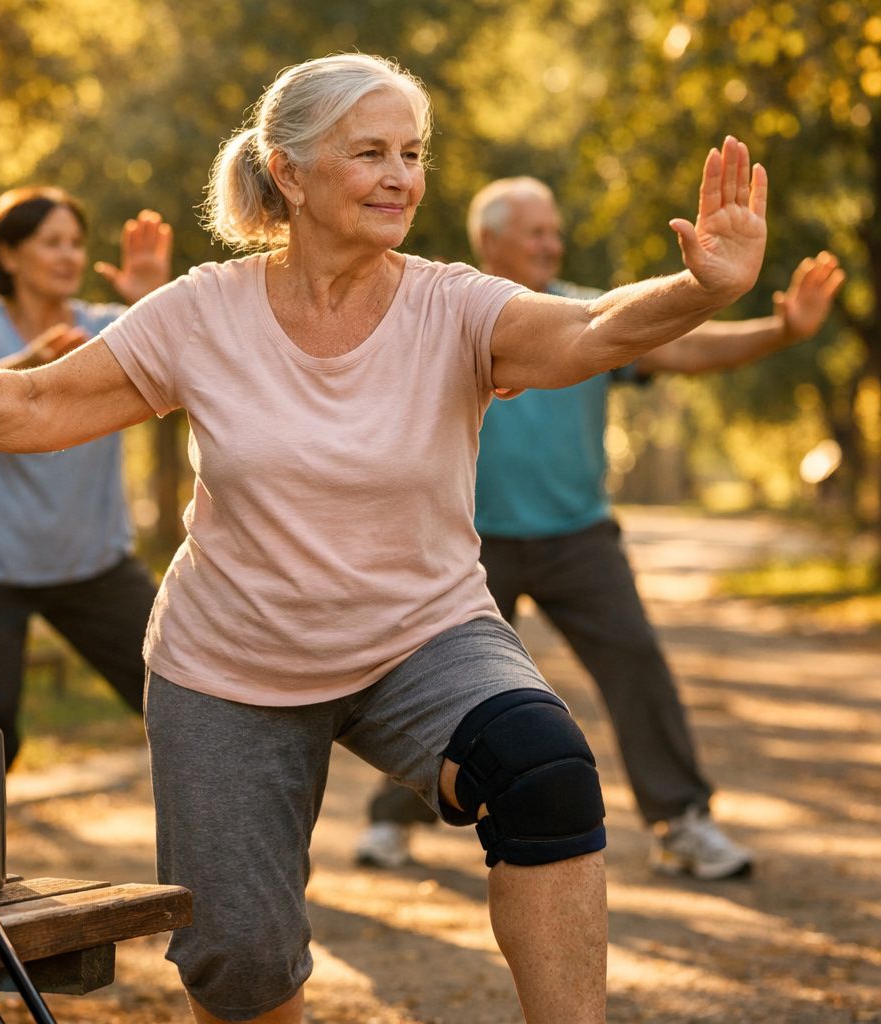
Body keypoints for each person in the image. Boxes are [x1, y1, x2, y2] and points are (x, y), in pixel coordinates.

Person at [0, 53, 770, 1024]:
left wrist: (699, 289)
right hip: (231, 662)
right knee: (242, 960)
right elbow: (42, 401)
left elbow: (591, 328)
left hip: (421, 632)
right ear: (289, 172)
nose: (400, 176)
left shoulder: (454, 303)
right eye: (370, 152)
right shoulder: (203, 312)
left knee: (544, 769)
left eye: (412, 153)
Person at [354, 177, 844, 881]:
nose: (553, 243)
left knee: (636, 664)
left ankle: (683, 822)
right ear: (490, 242)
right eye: (536, 232)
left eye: (555, 230)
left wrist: (783, 330)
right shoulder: (447, 311)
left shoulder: (592, 310)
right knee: (438, 683)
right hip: (468, 543)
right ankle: (391, 820)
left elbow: (687, 349)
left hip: (578, 538)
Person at [0, 187, 173, 767]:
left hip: (94, 566)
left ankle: (245, 854)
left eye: (76, 244)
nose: (69, 256)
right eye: (51, 243)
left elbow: (186, 360)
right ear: (9, 256)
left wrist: (152, 303)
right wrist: (31, 367)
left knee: (180, 698)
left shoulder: (110, 327)